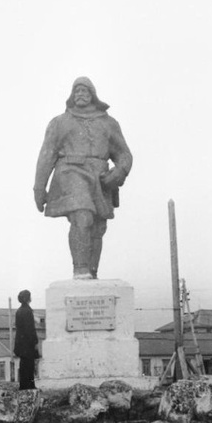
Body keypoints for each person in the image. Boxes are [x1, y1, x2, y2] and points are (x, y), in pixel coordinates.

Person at [33, 77, 133, 279]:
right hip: (71, 171)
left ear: (93, 95)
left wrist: (120, 172)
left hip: (100, 176)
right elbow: (47, 155)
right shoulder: (60, 122)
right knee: (82, 216)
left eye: (84, 91)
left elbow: (124, 154)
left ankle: (92, 271)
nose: (80, 94)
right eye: (76, 91)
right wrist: (39, 187)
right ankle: (80, 269)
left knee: (98, 226)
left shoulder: (108, 123)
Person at [13, 289, 39, 390]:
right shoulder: (28, 311)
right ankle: (30, 386)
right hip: (27, 343)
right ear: (28, 298)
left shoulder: (19, 311)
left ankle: (23, 385)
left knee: (23, 365)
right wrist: (35, 341)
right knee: (29, 365)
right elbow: (30, 329)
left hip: (21, 342)